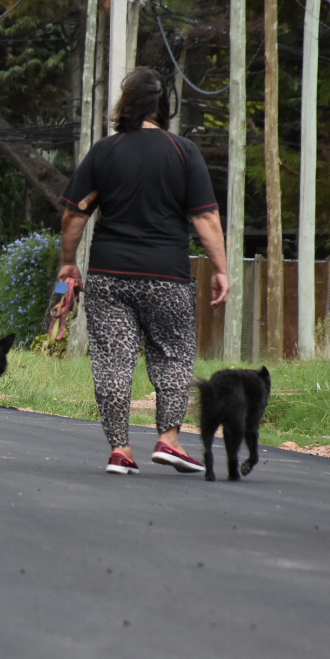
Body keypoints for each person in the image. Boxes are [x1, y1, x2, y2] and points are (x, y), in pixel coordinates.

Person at [57, 67, 230, 476]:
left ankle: (120, 450)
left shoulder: (104, 151)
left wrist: (69, 263)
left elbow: (74, 216)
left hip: (108, 275)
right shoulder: (183, 151)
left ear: (126, 105)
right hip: (167, 276)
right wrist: (221, 269)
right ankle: (168, 440)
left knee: (113, 361)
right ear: (163, 106)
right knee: (173, 356)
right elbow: (206, 220)